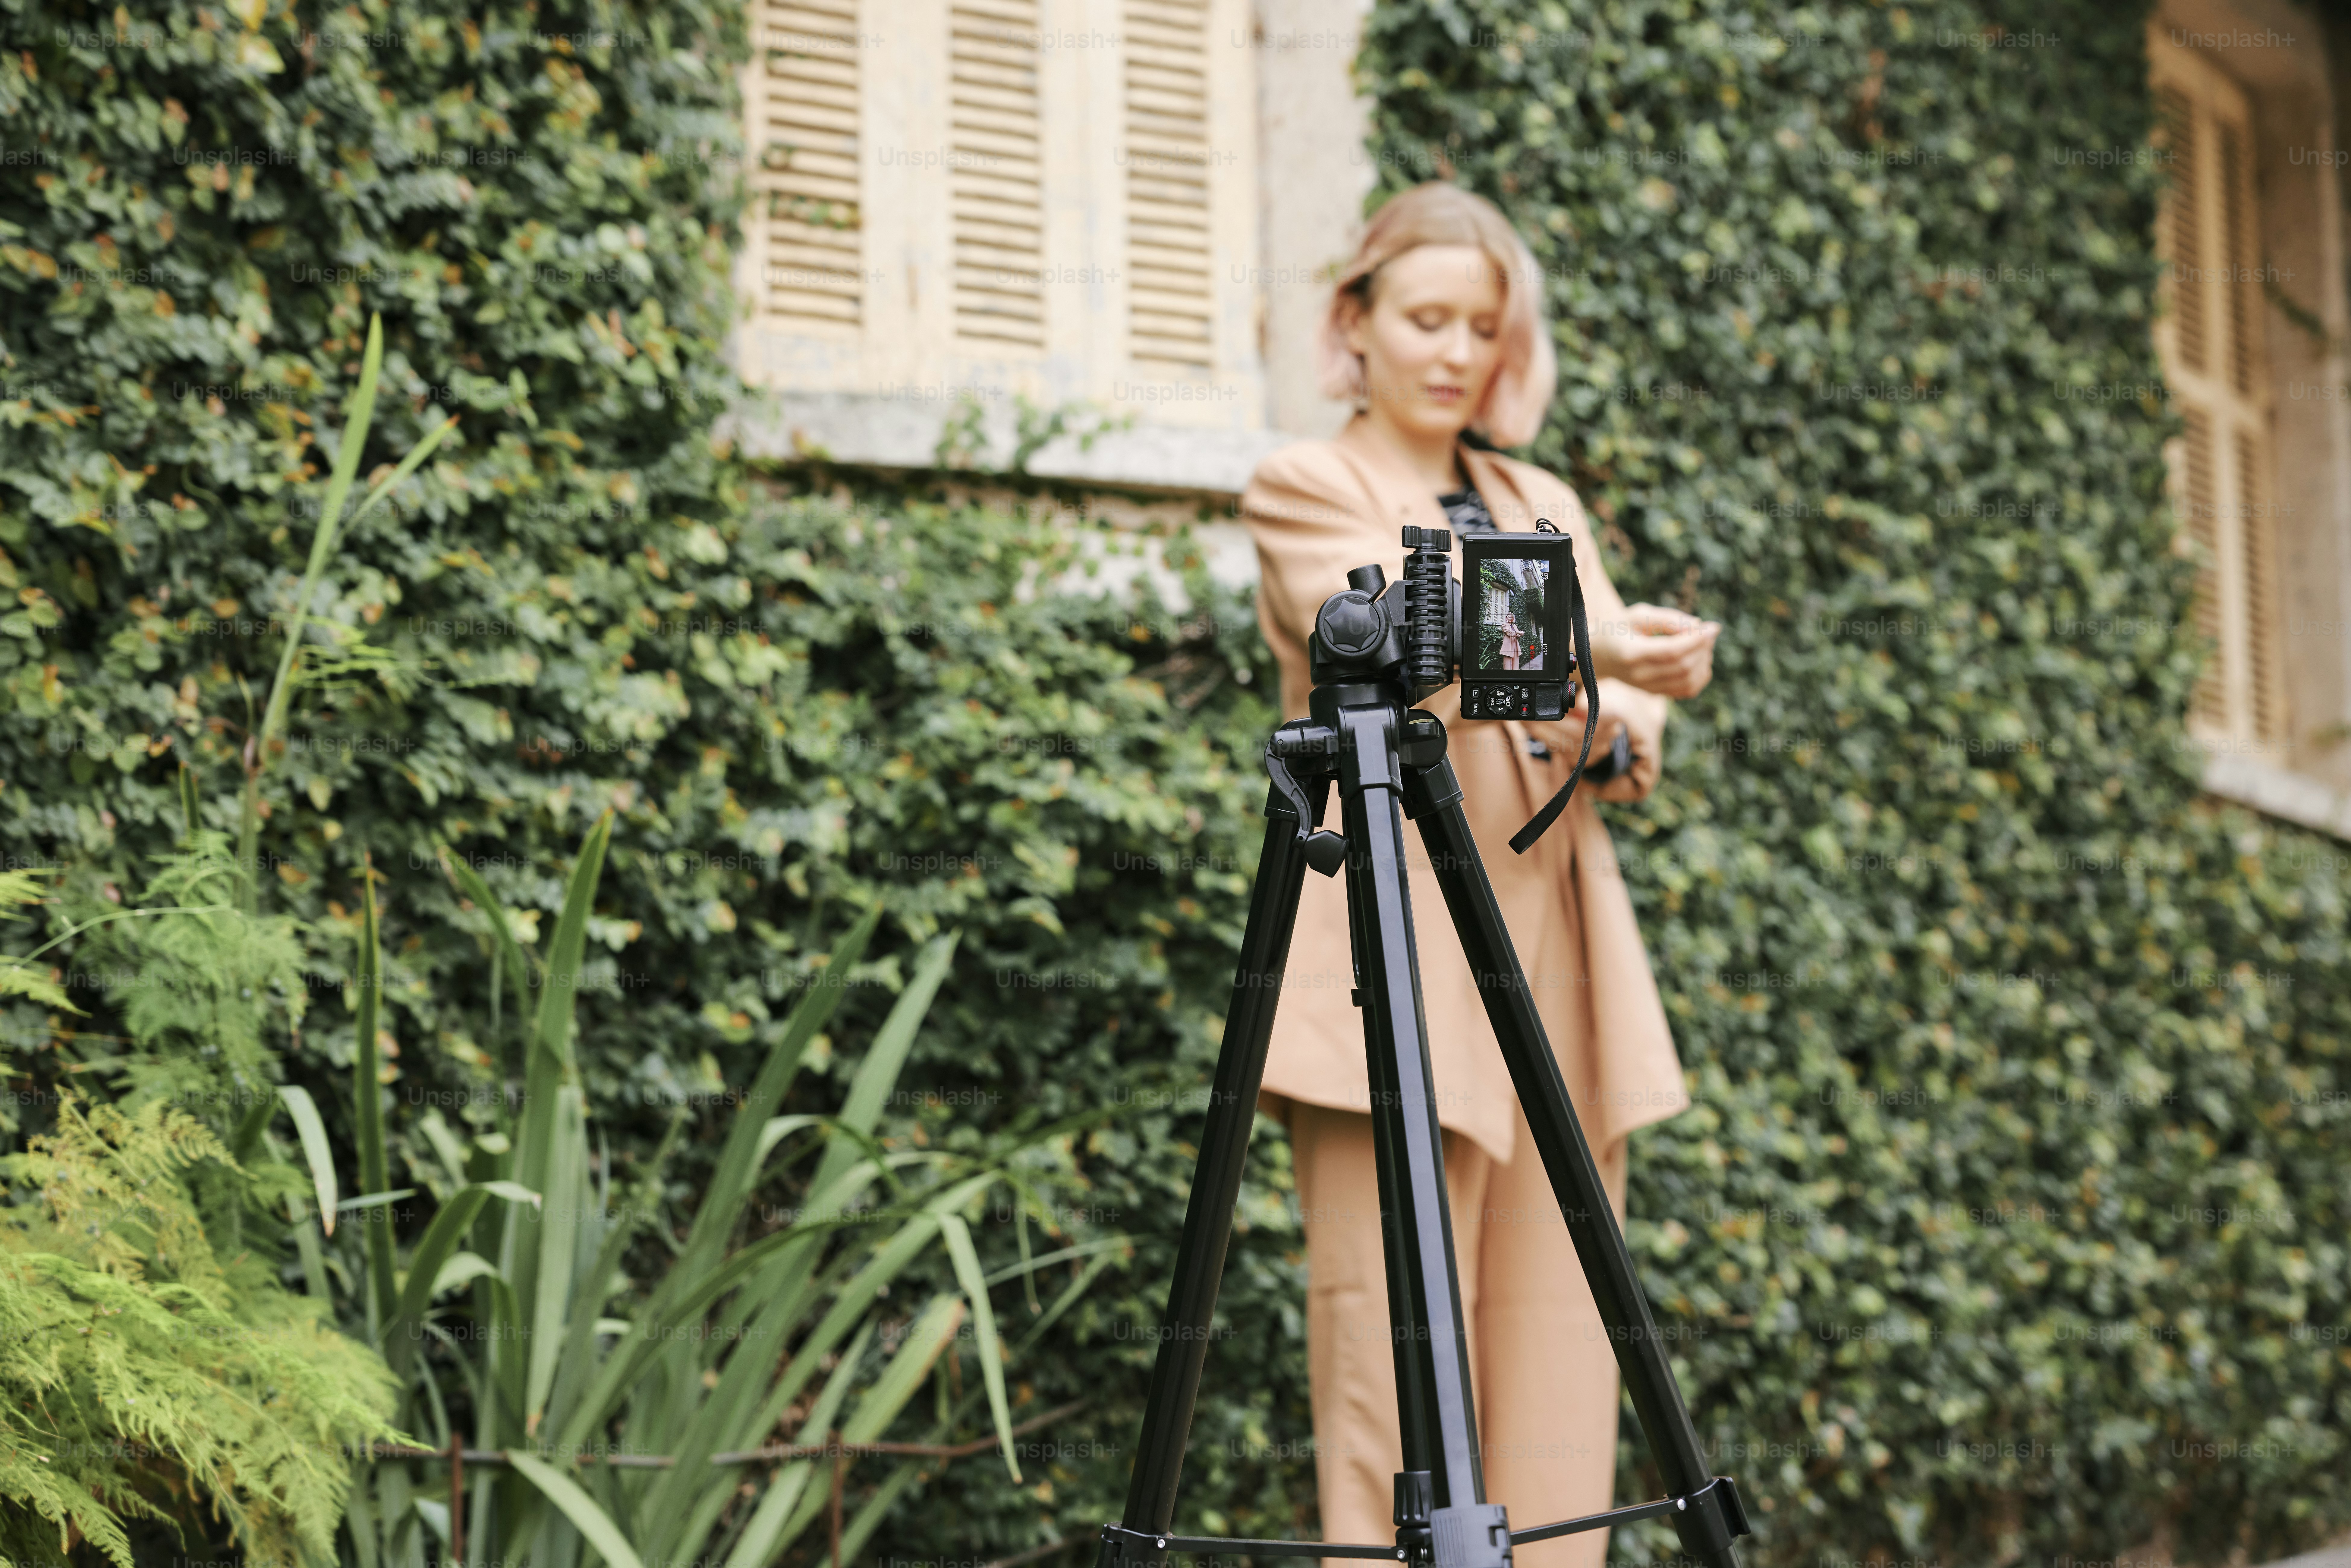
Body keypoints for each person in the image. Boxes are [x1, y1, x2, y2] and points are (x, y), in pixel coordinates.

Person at [1238, 181, 1721, 1566]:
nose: (1455, 351)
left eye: (1482, 326)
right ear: (1358, 323)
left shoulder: (1537, 494)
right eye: (1426, 317)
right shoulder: (1306, 482)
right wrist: (1605, 647)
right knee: (1392, 1393)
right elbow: (1380, 630)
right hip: (1390, 964)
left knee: (1570, 1377)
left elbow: (1622, 721)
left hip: (1555, 962)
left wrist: (1626, 714)